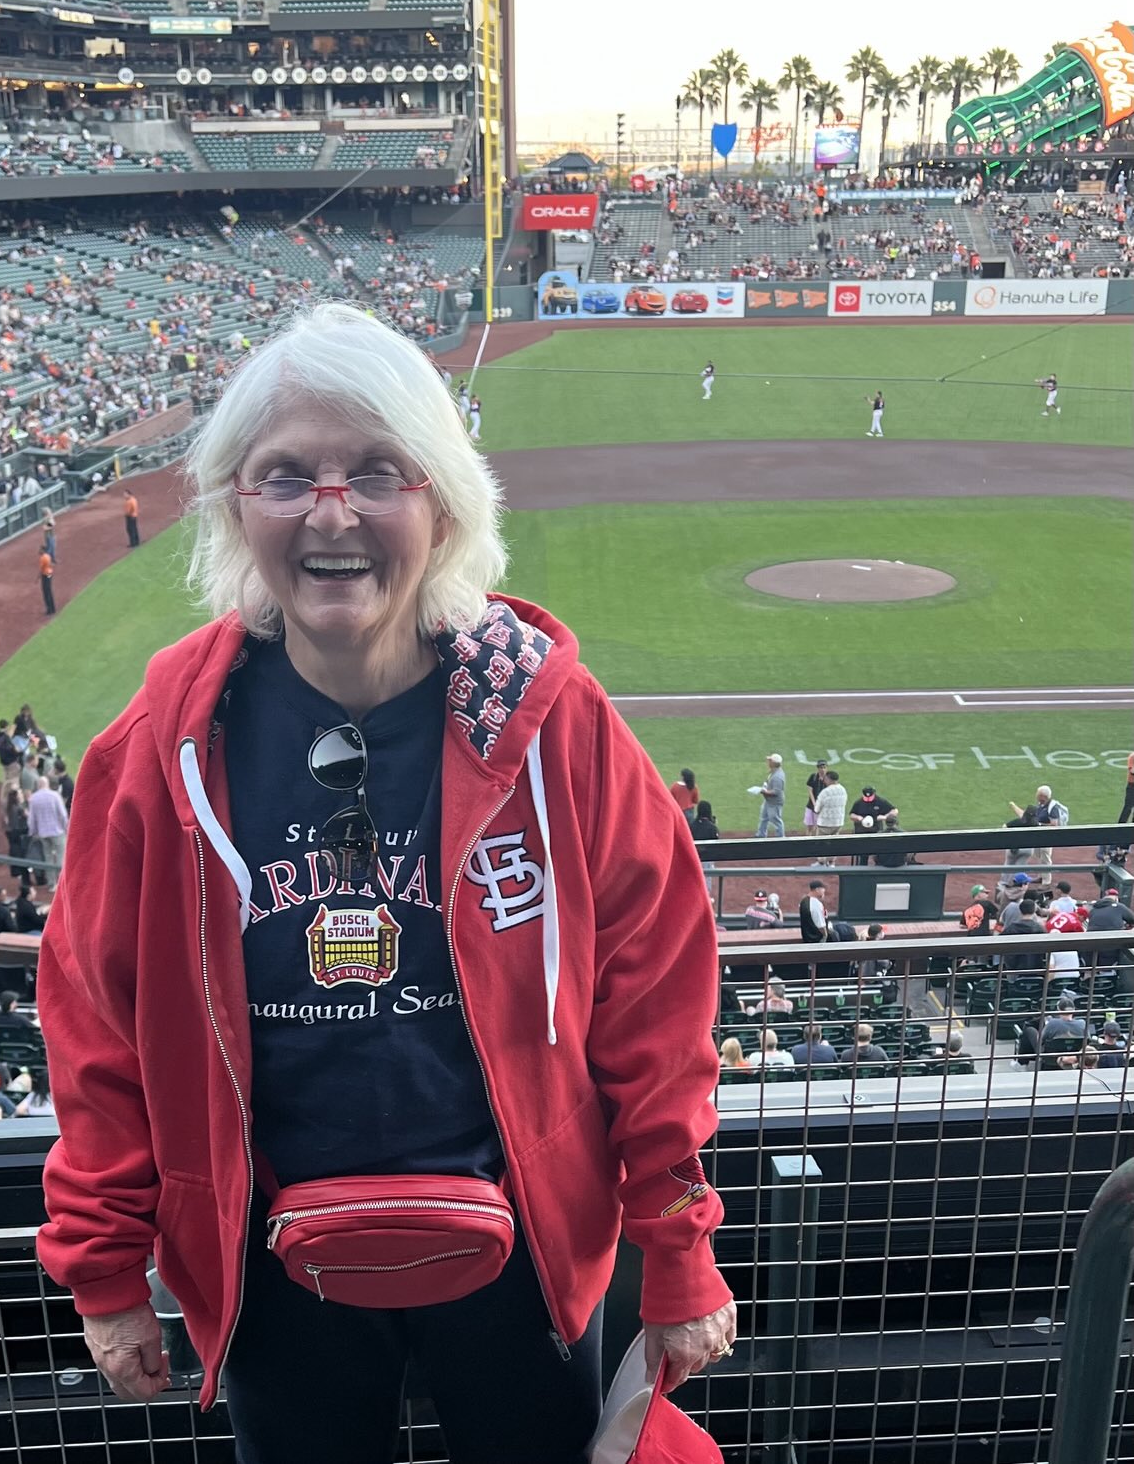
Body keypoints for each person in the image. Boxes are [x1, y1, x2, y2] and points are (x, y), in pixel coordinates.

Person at [36, 304, 736, 1453]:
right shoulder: (165, 745)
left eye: (377, 471)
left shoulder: (549, 718)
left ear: (443, 502)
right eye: (285, 475)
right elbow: (96, 1025)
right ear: (234, 504)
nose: (332, 511)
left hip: (529, 1248)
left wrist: (678, 1240)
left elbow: (656, 995)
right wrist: (106, 1266)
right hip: (275, 1262)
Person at [27, 775, 68, 883]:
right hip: (57, 831)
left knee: (48, 858)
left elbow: (32, 819)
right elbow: (63, 815)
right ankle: (61, 881)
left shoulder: (33, 798)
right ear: (47, 784)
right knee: (61, 856)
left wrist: (33, 832)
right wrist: (66, 828)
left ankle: (51, 882)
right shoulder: (55, 796)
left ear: (38, 785)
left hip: (43, 833)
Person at [812, 771, 847, 858]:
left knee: (821, 844)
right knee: (833, 844)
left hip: (825, 823)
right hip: (838, 822)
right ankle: (831, 862)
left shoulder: (825, 792)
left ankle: (821, 862)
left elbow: (816, 809)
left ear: (828, 779)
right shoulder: (843, 790)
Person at [756, 753, 785, 839]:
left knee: (775, 820)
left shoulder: (778, 776)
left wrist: (764, 791)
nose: (768, 762)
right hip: (768, 801)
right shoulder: (773, 772)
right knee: (764, 818)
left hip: (774, 803)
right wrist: (765, 786)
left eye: (770, 760)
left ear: (773, 763)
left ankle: (780, 838)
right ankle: (761, 835)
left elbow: (776, 792)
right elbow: (768, 781)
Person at [803, 760, 833, 833]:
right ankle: (808, 838)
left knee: (818, 827)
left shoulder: (829, 779)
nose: (823, 770)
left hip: (822, 807)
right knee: (809, 826)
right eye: (821, 768)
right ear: (818, 768)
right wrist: (814, 803)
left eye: (824, 767)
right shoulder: (813, 777)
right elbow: (810, 791)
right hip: (811, 805)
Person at [39, 545, 56, 615]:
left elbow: (41, 568)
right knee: (49, 591)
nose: (39, 551)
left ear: (43, 550)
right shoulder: (48, 556)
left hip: (45, 575)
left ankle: (49, 609)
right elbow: (52, 564)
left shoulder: (42, 558)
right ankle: (53, 608)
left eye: (40, 550)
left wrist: (40, 575)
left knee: (46, 592)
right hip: (49, 574)